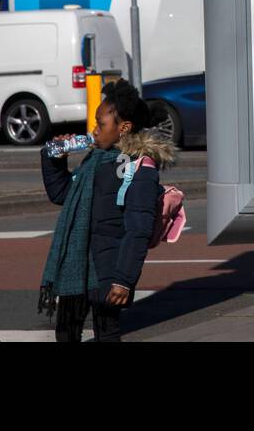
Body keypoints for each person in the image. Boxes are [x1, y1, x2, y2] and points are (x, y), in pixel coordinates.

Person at [39, 79, 175, 342]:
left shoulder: (140, 168)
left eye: (101, 124)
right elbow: (63, 195)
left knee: (107, 332)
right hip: (75, 266)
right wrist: (54, 160)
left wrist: (123, 279)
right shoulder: (95, 160)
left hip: (107, 269)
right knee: (65, 333)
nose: (95, 130)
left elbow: (138, 229)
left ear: (124, 127)